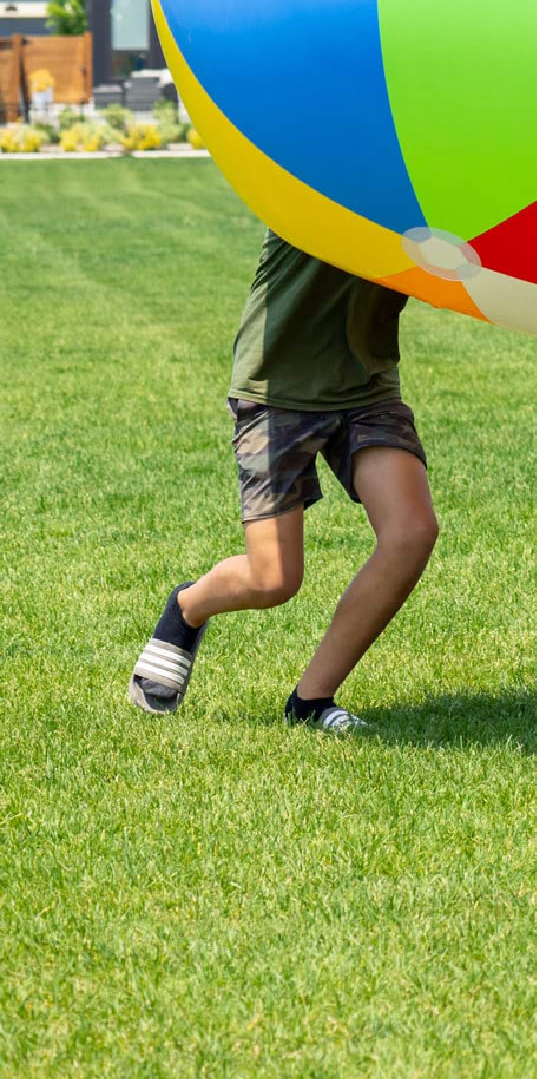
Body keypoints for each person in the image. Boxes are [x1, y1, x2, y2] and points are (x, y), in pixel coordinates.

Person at [128, 230, 439, 733]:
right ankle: (188, 607)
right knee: (272, 579)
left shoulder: (426, 190)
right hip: (278, 389)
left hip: (367, 385)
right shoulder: (313, 174)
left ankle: (311, 701)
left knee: (412, 533)